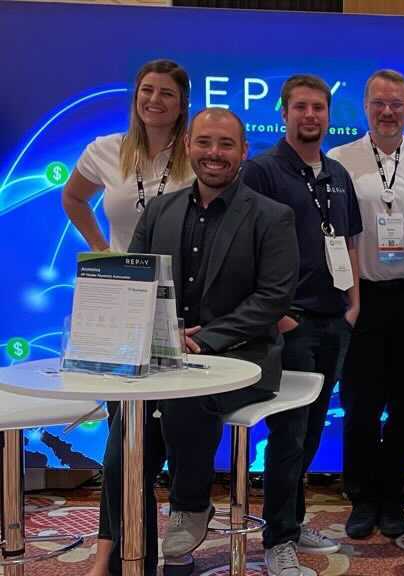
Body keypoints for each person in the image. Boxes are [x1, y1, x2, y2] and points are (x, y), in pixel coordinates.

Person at [127, 108, 299, 572]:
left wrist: (206, 340)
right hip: (167, 353)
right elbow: (134, 282)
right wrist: (163, 334)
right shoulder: (158, 211)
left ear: (243, 151)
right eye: (204, 142)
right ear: (188, 146)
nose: (214, 153)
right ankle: (125, 543)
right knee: (126, 419)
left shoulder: (273, 217)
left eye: (226, 144)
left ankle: (189, 503)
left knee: (186, 396)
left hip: (246, 358)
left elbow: (273, 297)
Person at [61, 58, 193, 576]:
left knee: (149, 440)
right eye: (146, 91)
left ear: (182, 104)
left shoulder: (193, 153)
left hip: (182, 307)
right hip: (122, 308)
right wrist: (102, 252)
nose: (154, 101)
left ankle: (121, 554)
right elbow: (73, 198)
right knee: (125, 437)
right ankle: (120, 555)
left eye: (166, 94)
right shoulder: (106, 150)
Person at [242, 74, 362, 570]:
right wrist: (277, 315)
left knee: (312, 433)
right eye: (301, 107)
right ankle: (277, 540)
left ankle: (291, 519)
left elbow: (349, 242)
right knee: (289, 434)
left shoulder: (337, 173)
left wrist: (354, 304)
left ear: (329, 114)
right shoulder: (262, 171)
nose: (310, 115)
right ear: (284, 112)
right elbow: (243, 248)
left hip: (335, 321)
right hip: (290, 323)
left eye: (319, 107)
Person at [327, 69, 404, 539]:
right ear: (365, 106)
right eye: (379, 103)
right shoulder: (339, 160)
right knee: (359, 406)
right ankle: (362, 496)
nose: (388, 112)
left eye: (397, 104)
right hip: (361, 297)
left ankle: (393, 495)